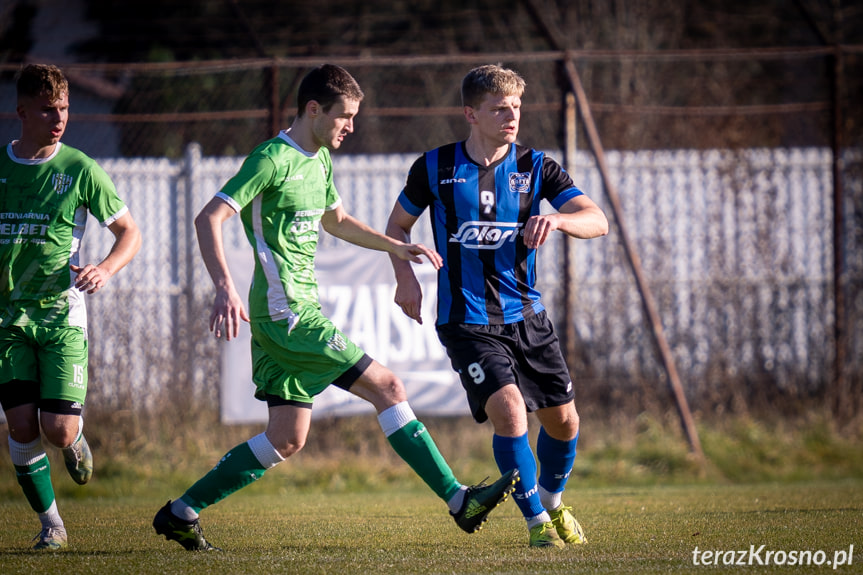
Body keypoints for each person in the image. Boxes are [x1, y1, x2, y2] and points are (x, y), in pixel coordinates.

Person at [152, 64, 517, 551]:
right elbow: (209, 217)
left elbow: (338, 221)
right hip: (287, 315)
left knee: (286, 438)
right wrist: (224, 285)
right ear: (313, 109)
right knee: (388, 385)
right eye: (344, 116)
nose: (350, 126)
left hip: (288, 315)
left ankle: (180, 512)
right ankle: (458, 501)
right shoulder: (271, 159)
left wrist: (395, 245)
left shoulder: (319, 159)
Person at [386, 64, 609, 549]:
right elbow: (396, 227)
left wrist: (560, 220)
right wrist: (405, 276)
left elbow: (598, 219)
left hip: (528, 317)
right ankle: (537, 527)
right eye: (499, 108)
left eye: (516, 108)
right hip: (466, 321)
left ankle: (551, 500)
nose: (511, 117)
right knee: (511, 413)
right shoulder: (435, 167)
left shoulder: (536, 167)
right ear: (471, 114)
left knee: (565, 422)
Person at [0, 63, 142, 551]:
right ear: (21, 111)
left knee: (56, 431)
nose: (58, 117)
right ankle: (51, 525)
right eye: (46, 108)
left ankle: (74, 438)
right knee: (20, 425)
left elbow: (129, 233)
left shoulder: (80, 168)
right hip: (6, 321)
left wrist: (104, 267)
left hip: (61, 316)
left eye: (62, 107)